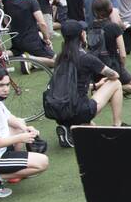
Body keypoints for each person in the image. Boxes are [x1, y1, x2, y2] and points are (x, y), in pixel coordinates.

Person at [0, 65, 49, 194]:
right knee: (43, 162)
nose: (6, 89)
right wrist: (21, 138)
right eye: (0, 85)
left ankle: (12, 170)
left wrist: (25, 128)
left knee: (20, 124)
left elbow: (9, 117)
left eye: (7, 85)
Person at [52, 20, 124, 148]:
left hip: (61, 111)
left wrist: (95, 86)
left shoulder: (59, 57)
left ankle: (69, 128)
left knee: (92, 129)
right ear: (82, 35)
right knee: (116, 83)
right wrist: (102, 82)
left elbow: (68, 85)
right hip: (80, 110)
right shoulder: (86, 58)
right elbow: (115, 75)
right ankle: (117, 126)